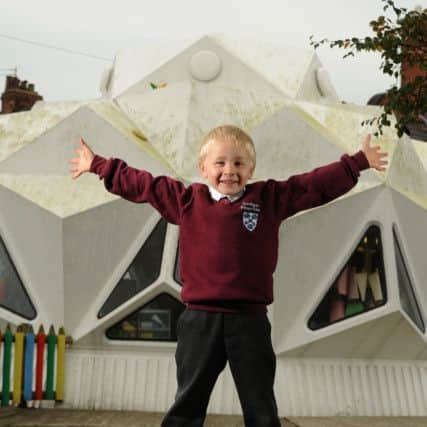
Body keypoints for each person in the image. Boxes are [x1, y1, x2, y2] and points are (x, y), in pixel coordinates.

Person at [69, 125, 388, 427]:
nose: (229, 170)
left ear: (251, 169)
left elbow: (312, 186)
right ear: (203, 168)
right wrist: (98, 165)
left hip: (249, 321)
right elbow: (143, 184)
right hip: (200, 320)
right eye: (219, 162)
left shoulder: (269, 199)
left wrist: (357, 163)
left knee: (260, 403)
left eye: (239, 163)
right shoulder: (187, 200)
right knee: (188, 401)